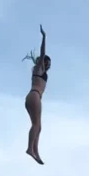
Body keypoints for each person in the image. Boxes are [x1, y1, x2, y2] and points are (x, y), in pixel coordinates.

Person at [24, 25, 50, 165]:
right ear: (43, 62)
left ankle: (35, 151)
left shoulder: (39, 70)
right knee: (36, 125)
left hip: (33, 97)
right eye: (47, 63)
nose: (49, 65)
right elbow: (43, 51)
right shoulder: (39, 67)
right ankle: (30, 148)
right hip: (34, 96)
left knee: (38, 126)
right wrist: (44, 37)